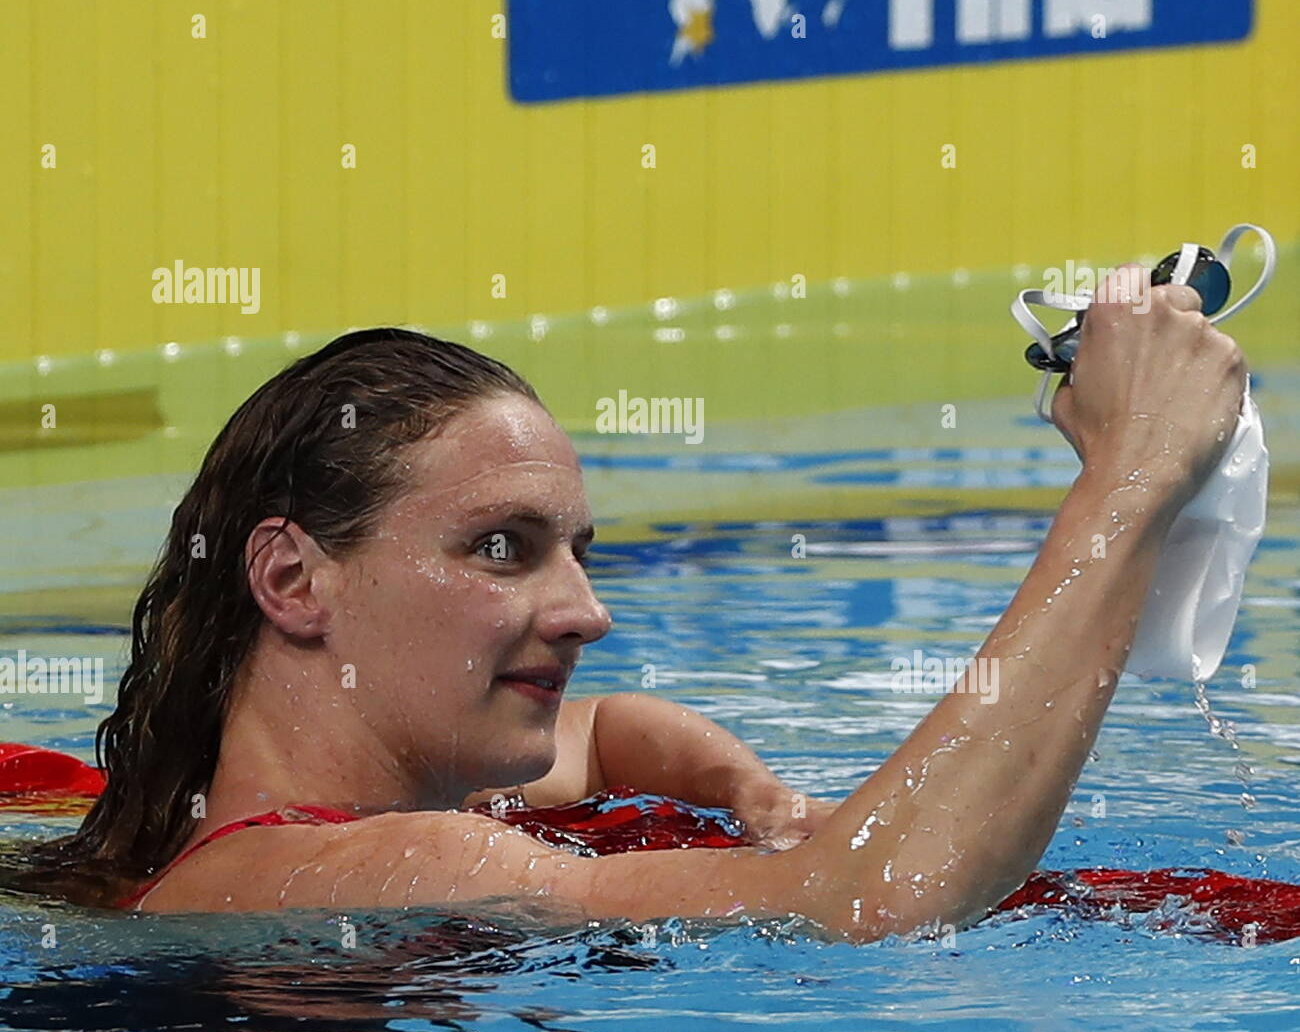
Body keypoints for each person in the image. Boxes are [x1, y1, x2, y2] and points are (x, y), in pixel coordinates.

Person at [26, 265, 1245, 941]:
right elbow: (858, 902)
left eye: (577, 553)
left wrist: (742, 791)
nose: (584, 610)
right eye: (502, 547)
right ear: (291, 580)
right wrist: (1130, 475)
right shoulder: (398, 860)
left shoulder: (310, 817)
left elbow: (599, 734)